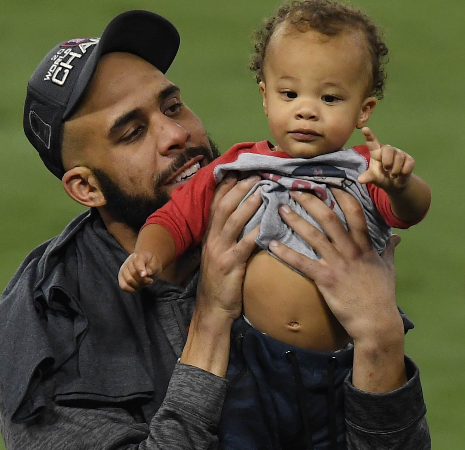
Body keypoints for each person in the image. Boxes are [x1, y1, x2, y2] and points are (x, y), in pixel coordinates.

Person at [0, 8, 430, 450]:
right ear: (86, 187)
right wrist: (211, 322)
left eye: (173, 106)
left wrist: (381, 341)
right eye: (134, 132)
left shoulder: (283, 208)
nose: (175, 133)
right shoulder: (47, 315)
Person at [116, 2, 431, 448]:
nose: (307, 111)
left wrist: (400, 182)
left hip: (341, 367)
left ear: (364, 110)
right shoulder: (238, 168)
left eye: (330, 98)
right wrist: (147, 253)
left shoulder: (362, 169)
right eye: (290, 95)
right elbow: (174, 219)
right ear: (264, 96)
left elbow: (412, 210)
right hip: (250, 361)